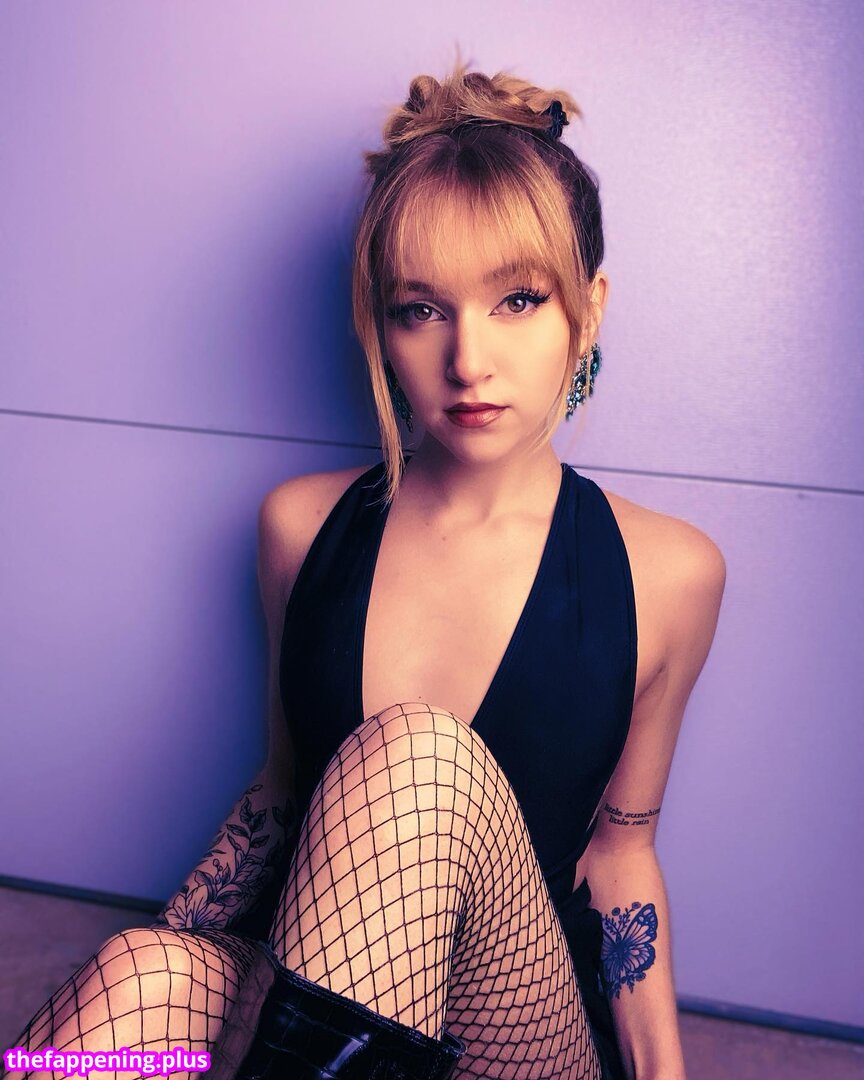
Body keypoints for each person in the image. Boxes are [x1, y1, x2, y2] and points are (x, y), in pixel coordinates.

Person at [5, 57, 726, 1080]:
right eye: (420, 309)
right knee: (139, 973)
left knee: (422, 759)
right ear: (379, 327)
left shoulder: (669, 572)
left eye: (518, 300)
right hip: (324, 985)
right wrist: (167, 955)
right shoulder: (300, 529)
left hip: (518, 1038)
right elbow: (280, 796)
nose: (467, 359)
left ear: (589, 308)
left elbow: (620, 856)